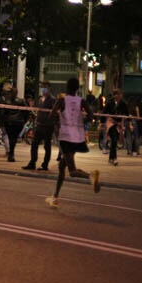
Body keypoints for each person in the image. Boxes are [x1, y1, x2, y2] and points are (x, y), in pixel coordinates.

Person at [46, 76, 101, 208]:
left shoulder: (61, 100)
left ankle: (91, 176)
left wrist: (59, 120)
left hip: (66, 137)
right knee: (61, 168)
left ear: (67, 87)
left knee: (72, 171)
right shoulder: (81, 101)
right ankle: (55, 197)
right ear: (77, 88)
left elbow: (51, 116)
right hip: (78, 137)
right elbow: (91, 116)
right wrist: (82, 121)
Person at [23, 80, 56, 171]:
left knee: (47, 146)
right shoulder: (41, 99)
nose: (43, 89)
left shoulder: (52, 99)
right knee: (34, 144)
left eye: (45, 87)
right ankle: (32, 162)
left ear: (49, 88)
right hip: (39, 125)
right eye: (42, 87)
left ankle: (45, 164)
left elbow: (54, 113)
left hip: (48, 126)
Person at [105, 88, 127, 166]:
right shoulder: (109, 103)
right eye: (116, 94)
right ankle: (114, 158)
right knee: (114, 139)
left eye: (119, 94)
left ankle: (111, 158)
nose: (118, 96)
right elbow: (104, 112)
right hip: (111, 123)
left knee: (114, 141)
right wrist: (101, 123)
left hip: (118, 124)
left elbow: (126, 113)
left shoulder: (123, 104)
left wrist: (128, 119)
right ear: (114, 95)